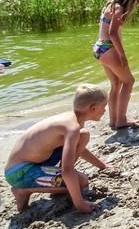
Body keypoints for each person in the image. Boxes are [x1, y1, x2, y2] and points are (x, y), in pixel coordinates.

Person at [5, 84, 110, 213]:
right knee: (81, 181)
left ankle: (57, 182)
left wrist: (102, 166)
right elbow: (67, 170)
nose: (105, 110)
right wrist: (80, 204)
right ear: (93, 108)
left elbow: (77, 148)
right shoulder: (71, 127)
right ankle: (22, 190)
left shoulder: (73, 119)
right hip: (19, 172)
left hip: (37, 161)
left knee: (84, 135)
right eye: (104, 106)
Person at [93, 0, 139, 129]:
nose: (137, 3)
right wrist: (122, 55)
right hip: (108, 48)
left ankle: (113, 121)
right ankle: (121, 120)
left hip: (99, 47)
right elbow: (113, 33)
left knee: (116, 84)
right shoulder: (119, 8)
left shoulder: (110, 5)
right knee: (129, 81)